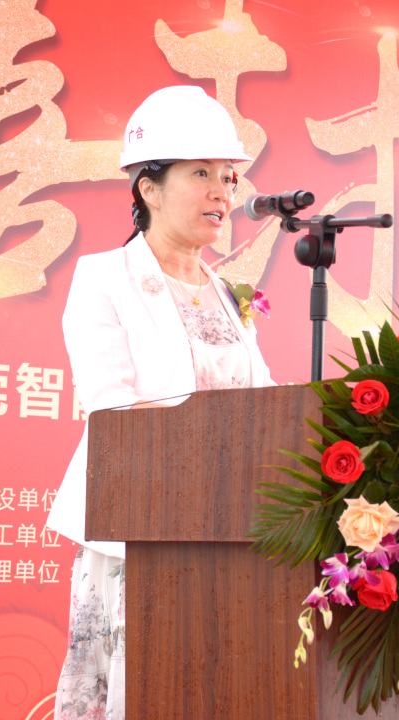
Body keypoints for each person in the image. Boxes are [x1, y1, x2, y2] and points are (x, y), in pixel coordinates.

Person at [46, 85, 274, 720]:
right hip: (140, 529)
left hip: (227, 532)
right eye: (201, 173)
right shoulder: (104, 278)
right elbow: (112, 414)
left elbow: (265, 408)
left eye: (227, 176)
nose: (222, 192)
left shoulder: (228, 292)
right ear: (148, 187)